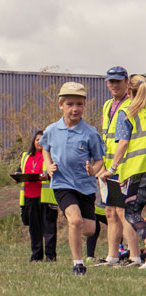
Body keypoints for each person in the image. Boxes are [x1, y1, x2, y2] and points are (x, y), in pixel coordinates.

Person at [41, 81, 103, 275]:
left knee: (90, 230)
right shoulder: (52, 130)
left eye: (79, 104)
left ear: (84, 105)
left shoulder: (91, 132)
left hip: (85, 185)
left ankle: (77, 235)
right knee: (75, 221)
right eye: (70, 104)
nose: (74, 109)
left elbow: (100, 160)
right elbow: (45, 148)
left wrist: (93, 170)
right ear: (60, 105)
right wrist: (48, 165)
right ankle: (78, 264)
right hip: (62, 183)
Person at [97, 76, 146, 267]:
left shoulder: (126, 113)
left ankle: (136, 255)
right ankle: (127, 256)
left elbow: (124, 143)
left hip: (138, 170)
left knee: (131, 212)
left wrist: (113, 169)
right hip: (132, 172)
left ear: (129, 91)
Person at [17, 131, 58, 262]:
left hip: (46, 197)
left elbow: (58, 172)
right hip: (29, 196)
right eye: (37, 139)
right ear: (33, 141)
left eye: (42, 139)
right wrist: (17, 177)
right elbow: (19, 171)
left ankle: (50, 256)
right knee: (34, 229)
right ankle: (36, 256)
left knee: (49, 229)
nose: (39, 142)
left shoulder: (52, 156)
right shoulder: (25, 156)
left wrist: (47, 175)